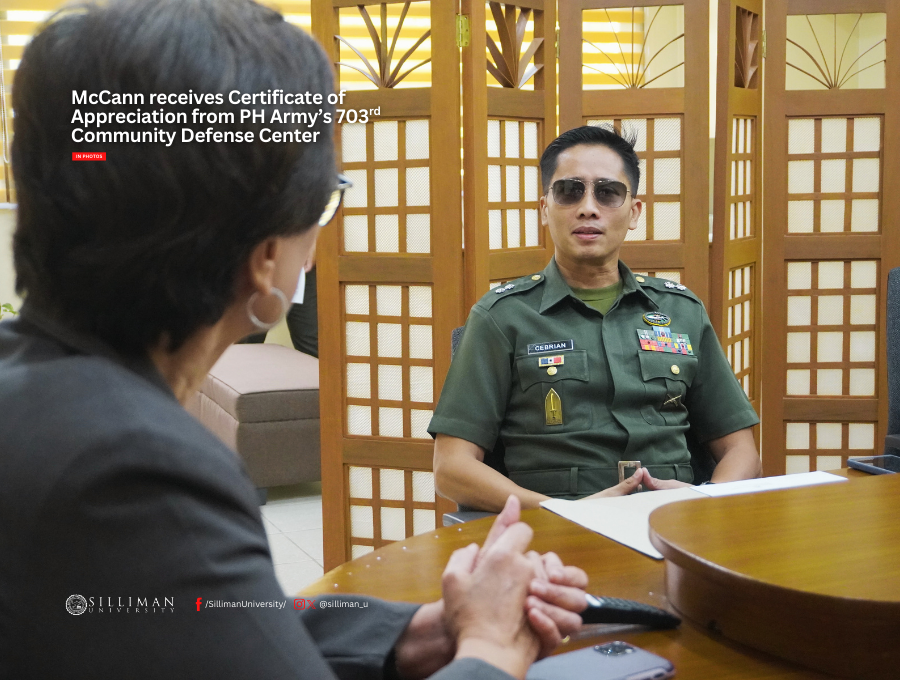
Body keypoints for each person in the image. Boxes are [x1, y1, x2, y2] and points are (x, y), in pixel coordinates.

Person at [0, 2, 590, 678]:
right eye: (325, 203)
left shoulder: (30, 384)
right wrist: (491, 646)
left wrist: (410, 633)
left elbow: (199, 615)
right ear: (265, 257)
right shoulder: (134, 469)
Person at [429, 126, 761, 512]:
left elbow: (741, 450)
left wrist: (700, 499)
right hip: (556, 530)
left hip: (673, 524)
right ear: (544, 209)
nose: (588, 207)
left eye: (608, 192)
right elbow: (451, 467)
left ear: (634, 211)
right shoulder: (502, 317)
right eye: (570, 191)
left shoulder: (681, 311)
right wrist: (562, 512)